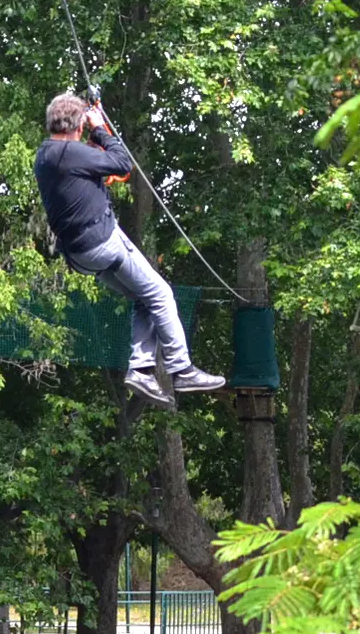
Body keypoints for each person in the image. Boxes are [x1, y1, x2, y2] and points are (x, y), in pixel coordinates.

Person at [34, 91, 225, 408]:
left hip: (79, 253)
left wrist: (94, 127)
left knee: (144, 298)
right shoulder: (71, 154)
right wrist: (98, 127)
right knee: (162, 294)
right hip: (102, 242)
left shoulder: (46, 155)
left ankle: (140, 369)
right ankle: (182, 370)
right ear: (78, 126)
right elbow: (123, 163)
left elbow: (109, 171)